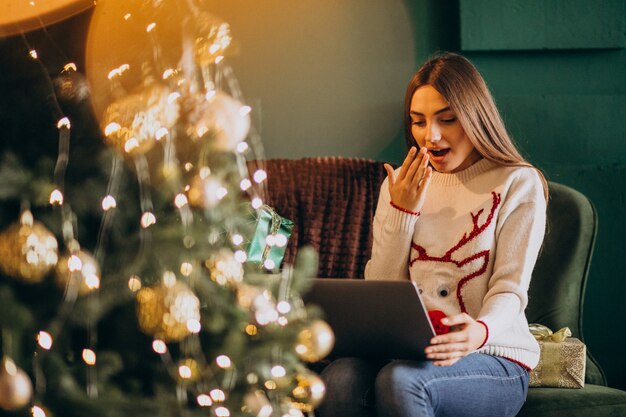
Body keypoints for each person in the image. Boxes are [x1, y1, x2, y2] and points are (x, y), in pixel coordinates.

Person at [317, 52, 547, 417]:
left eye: (447, 119)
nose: (431, 136)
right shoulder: (399, 186)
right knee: (340, 378)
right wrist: (402, 212)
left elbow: (510, 288)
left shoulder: (518, 182)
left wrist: (480, 332)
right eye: (418, 122)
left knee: (401, 380)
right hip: (409, 352)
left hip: (493, 356)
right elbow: (381, 288)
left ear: (474, 117)